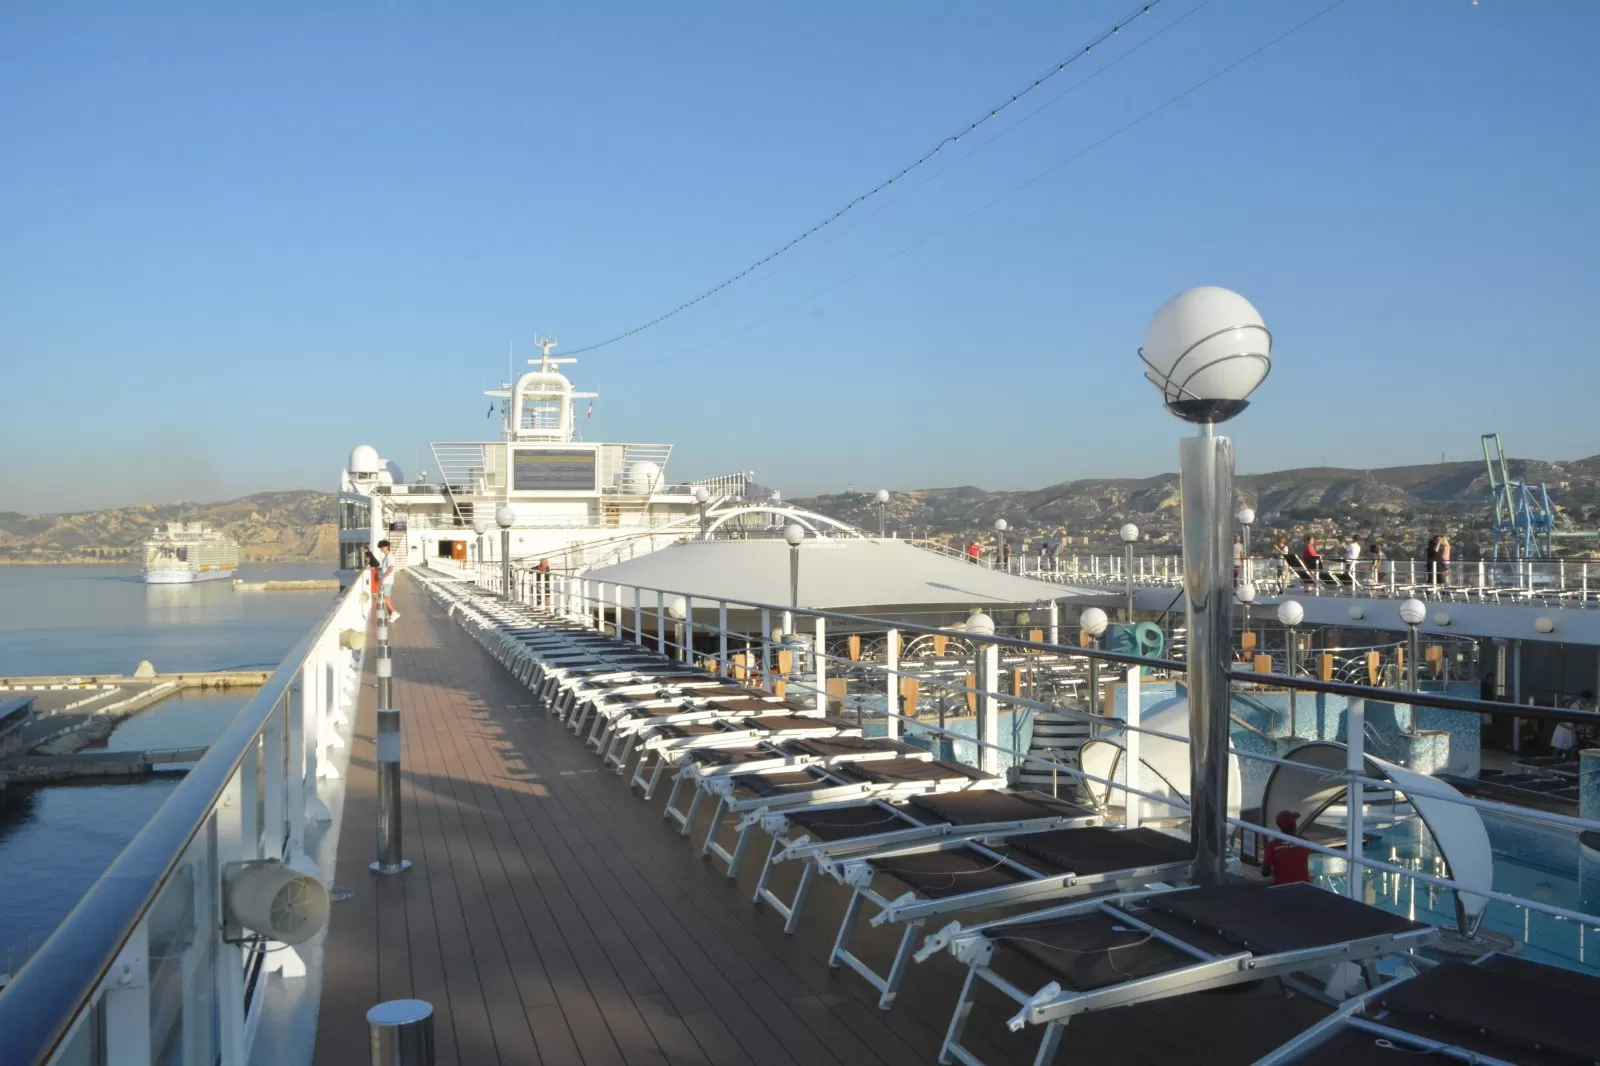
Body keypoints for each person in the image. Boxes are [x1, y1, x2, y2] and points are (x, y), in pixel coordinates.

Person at [1260, 809, 1311, 885]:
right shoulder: (1304, 841)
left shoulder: (1273, 845)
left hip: (1281, 886)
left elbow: (1265, 873)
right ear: (1294, 825)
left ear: (1278, 826)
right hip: (1303, 885)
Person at [377, 539, 400, 622]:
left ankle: (394, 612)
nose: (381, 549)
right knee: (388, 599)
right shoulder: (386, 556)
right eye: (380, 548)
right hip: (386, 581)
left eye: (382, 547)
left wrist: (383, 578)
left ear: (387, 546)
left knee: (384, 598)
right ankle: (391, 615)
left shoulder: (390, 556)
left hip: (387, 581)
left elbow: (391, 568)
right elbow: (385, 568)